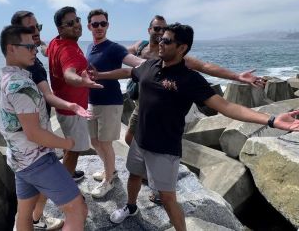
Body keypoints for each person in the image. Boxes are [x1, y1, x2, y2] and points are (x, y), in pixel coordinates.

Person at [91, 23, 299, 231]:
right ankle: (131, 206)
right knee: (134, 175)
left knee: (168, 198)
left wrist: (271, 120)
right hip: (140, 140)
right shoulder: (150, 65)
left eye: (167, 40)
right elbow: (128, 72)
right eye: (161, 38)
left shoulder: (189, 79)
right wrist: (100, 75)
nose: (160, 43)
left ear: (182, 48)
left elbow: (226, 106)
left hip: (164, 148)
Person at [0, 25, 88, 231]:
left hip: (19, 159)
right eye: (29, 47)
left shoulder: (2, 78)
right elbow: (34, 133)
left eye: (35, 46)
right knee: (78, 209)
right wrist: (67, 143)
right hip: (38, 160)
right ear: (11, 49)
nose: (35, 51)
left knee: (24, 213)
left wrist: (69, 105)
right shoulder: (21, 85)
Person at [124, 15, 266, 145]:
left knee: (155, 139)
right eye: (157, 28)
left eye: (164, 29)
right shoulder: (140, 46)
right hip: (141, 102)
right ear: (149, 30)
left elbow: (204, 66)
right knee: (129, 138)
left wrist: (236, 76)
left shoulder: (174, 55)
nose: (160, 32)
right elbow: (120, 54)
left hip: (163, 104)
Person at [85, 9, 143, 198]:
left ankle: (108, 180)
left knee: (105, 143)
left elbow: (134, 64)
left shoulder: (114, 48)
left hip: (110, 102)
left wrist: (158, 66)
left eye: (103, 23)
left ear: (108, 26)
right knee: (94, 141)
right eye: (95, 24)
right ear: (89, 27)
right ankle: (110, 170)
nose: (99, 27)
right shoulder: (90, 48)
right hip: (92, 101)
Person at [46, 6, 103, 182]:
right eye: (70, 23)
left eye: (77, 20)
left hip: (62, 106)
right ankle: (67, 182)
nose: (76, 25)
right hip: (73, 109)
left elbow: (46, 51)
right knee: (75, 149)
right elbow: (69, 75)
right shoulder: (70, 51)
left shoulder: (56, 42)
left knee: (69, 143)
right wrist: (83, 82)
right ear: (60, 29)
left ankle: (68, 173)